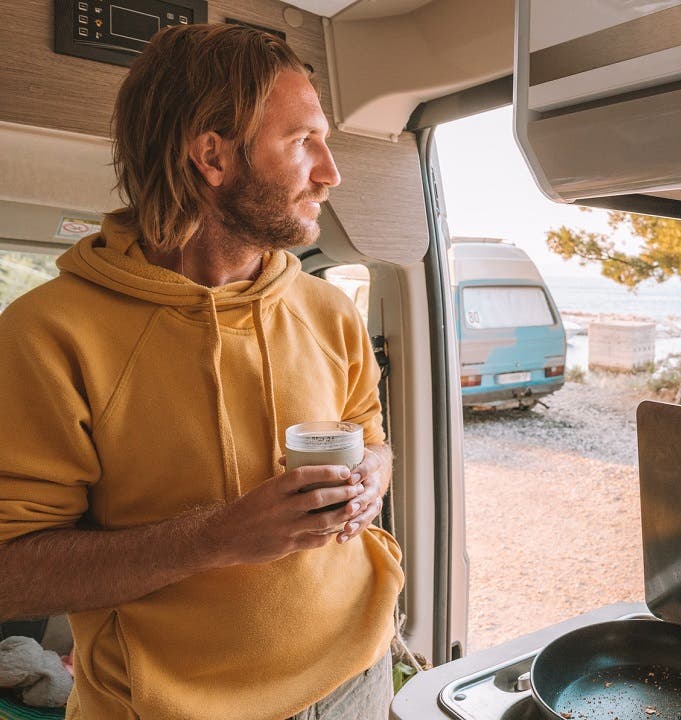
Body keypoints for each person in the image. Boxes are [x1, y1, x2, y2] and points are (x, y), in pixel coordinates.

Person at [0, 24, 404, 719]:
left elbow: (372, 435)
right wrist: (217, 538)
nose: (331, 172)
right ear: (212, 156)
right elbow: (11, 574)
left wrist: (373, 473)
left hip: (359, 675)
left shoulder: (330, 308)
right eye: (303, 140)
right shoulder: (46, 335)